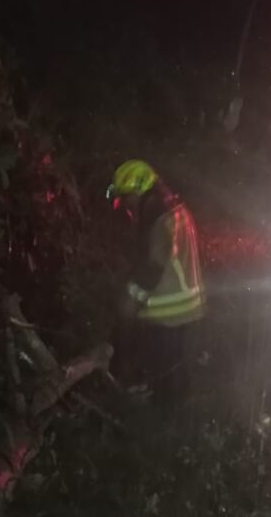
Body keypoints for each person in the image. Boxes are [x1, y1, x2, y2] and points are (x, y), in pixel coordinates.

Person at [107, 159, 205, 402]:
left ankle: (161, 415)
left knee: (163, 373)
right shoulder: (173, 208)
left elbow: (154, 265)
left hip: (167, 308)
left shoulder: (159, 216)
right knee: (175, 369)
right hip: (184, 304)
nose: (126, 207)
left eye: (127, 199)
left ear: (140, 192)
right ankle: (175, 415)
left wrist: (130, 300)